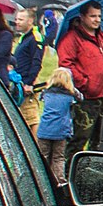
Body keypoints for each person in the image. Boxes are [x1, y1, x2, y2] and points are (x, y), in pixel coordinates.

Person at [55, 2, 103, 151]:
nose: (97, 20)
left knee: (101, 140)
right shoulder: (72, 39)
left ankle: (93, 170)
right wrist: (85, 84)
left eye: (99, 16)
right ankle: (69, 171)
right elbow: (65, 65)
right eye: (93, 16)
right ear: (82, 17)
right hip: (86, 99)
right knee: (79, 139)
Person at [34, 64, 79, 192]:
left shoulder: (46, 93)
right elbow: (81, 98)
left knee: (43, 156)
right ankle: (59, 182)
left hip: (45, 130)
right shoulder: (70, 96)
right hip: (61, 131)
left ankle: (40, 181)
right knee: (58, 157)